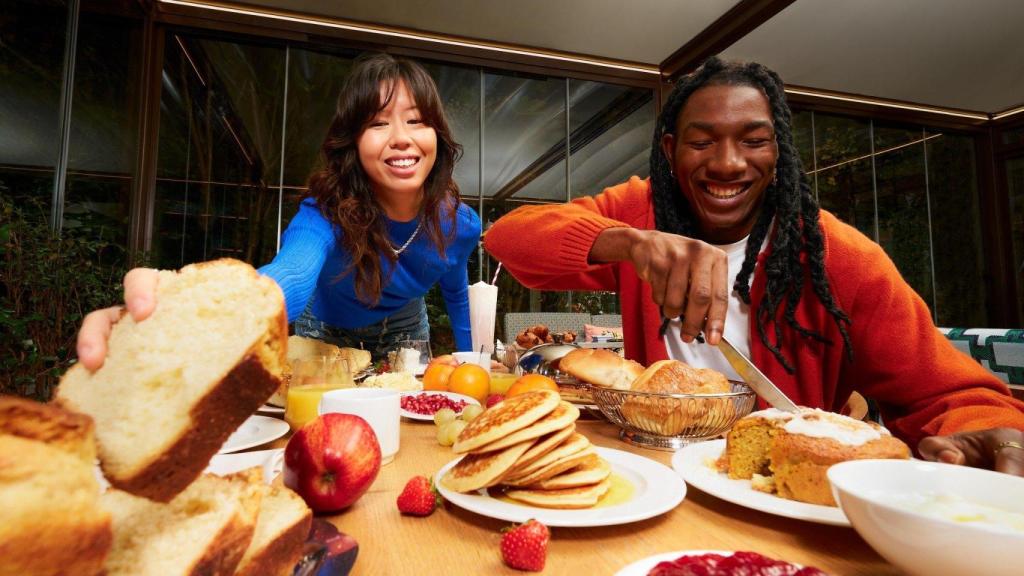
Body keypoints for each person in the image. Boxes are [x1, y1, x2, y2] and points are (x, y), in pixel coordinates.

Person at [484, 57, 1024, 475]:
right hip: (653, 473)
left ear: (778, 150)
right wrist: (627, 243)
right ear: (670, 150)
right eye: (701, 142)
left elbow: (950, 393)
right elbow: (509, 238)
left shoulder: (839, 257)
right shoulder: (641, 213)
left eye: (754, 141)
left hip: (780, 493)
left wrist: (996, 433)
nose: (727, 163)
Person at [77, 52, 480, 365]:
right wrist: (185, 321)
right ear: (354, 143)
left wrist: (471, 361)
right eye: (377, 123)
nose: (401, 138)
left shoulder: (459, 225)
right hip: (322, 329)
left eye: (416, 120)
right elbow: (290, 275)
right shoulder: (326, 211)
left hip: (406, 328)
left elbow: (457, 294)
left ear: (437, 135)